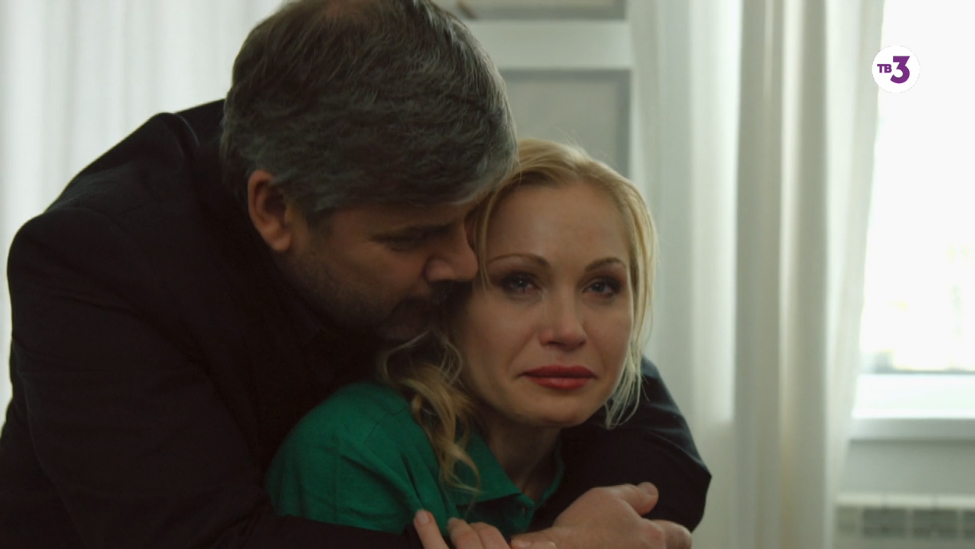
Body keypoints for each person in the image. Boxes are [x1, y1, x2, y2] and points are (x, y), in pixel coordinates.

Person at [0, 0, 709, 548]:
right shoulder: (95, 267)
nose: (465, 265)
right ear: (276, 210)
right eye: (416, 237)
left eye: (468, 225)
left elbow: (645, 423)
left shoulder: (410, 189)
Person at [266, 138, 659, 542]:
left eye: (601, 286)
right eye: (519, 282)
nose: (569, 330)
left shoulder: (623, 460)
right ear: (448, 298)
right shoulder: (352, 453)